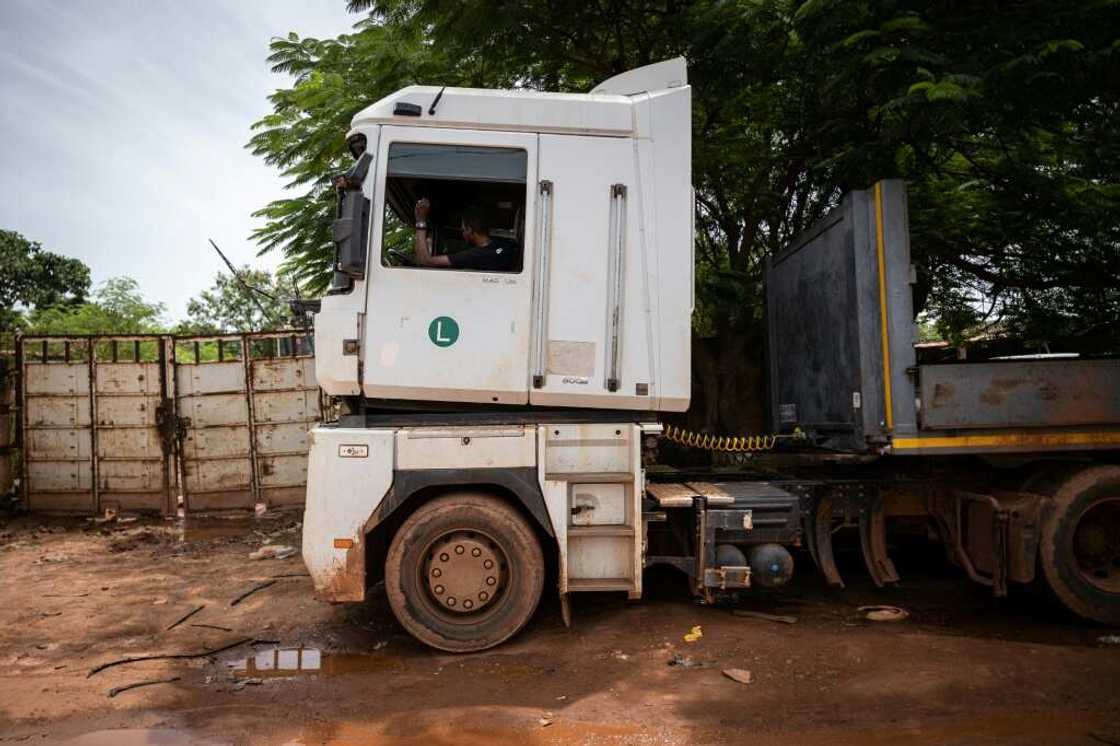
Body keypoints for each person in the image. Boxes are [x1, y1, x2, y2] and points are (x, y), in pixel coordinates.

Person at [412, 199, 519, 271]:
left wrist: (420, 221)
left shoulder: (474, 255)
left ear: (470, 230)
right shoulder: (505, 246)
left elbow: (424, 261)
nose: (462, 233)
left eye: (463, 229)